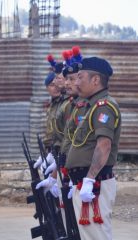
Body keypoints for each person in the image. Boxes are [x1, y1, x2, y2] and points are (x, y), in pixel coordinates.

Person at [66, 57, 121, 240]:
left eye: (81, 77)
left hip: (94, 184)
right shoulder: (91, 106)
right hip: (84, 183)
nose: (77, 82)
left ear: (95, 80)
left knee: (96, 236)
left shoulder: (103, 106)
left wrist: (89, 179)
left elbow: (104, 145)